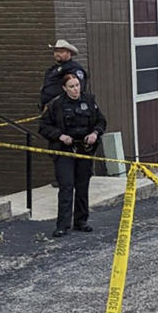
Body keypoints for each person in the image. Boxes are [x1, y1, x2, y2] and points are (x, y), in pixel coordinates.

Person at [39, 72, 106, 237]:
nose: (76, 89)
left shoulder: (89, 101)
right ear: (64, 88)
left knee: (82, 186)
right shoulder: (56, 105)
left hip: (84, 150)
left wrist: (95, 134)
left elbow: (101, 121)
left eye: (77, 85)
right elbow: (43, 127)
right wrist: (59, 136)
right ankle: (62, 225)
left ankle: (81, 221)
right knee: (66, 186)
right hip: (64, 150)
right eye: (71, 87)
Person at [40, 39, 89, 111]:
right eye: (56, 51)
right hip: (50, 110)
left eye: (61, 52)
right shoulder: (53, 69)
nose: (57, 54)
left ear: (69, 53)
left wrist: (53, 104)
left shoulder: (73, 69)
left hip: (64, 110)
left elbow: (76, 91)